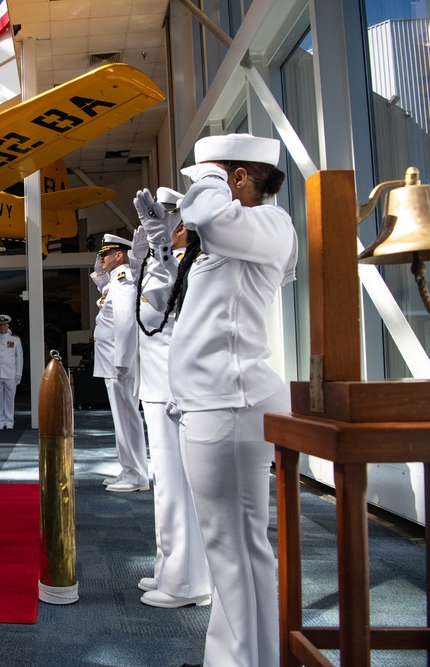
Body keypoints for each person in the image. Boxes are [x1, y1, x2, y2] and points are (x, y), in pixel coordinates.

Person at [136, 133, 297, 666]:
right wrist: (162, 248)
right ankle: (235, 658)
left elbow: (215, 219)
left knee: (236, 549)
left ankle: (248, 660)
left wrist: (207, 185)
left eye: (205, 178)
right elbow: (165, 312)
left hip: (230, 401)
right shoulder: (226, 240)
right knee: (230, 547)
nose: (188, 200)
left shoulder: (268, 225)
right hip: (210, 401)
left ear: (237, 179)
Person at [131, 188, 211, 610]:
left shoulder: (189, 265)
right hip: (159, 385)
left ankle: (187, 583)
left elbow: (162, 307)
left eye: (169, 221)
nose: (165, 228)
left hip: (172, 387)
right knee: (166, 484)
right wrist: (149, 243)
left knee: (177, 485)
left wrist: (160, 246)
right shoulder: (171, 261)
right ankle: (171, 568)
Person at [91, 233, 148, 493]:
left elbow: (126, 324)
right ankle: (128, 469)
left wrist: (123, 361)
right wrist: (100, 270)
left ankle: (137, 475)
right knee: (121, 419)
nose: (101, 258)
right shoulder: (115, 282)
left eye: (106, 254)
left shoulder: (124, 282)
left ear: (120, 255)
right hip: (112, 363)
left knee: (127, 418)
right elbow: (102, 286)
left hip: (118, 365)